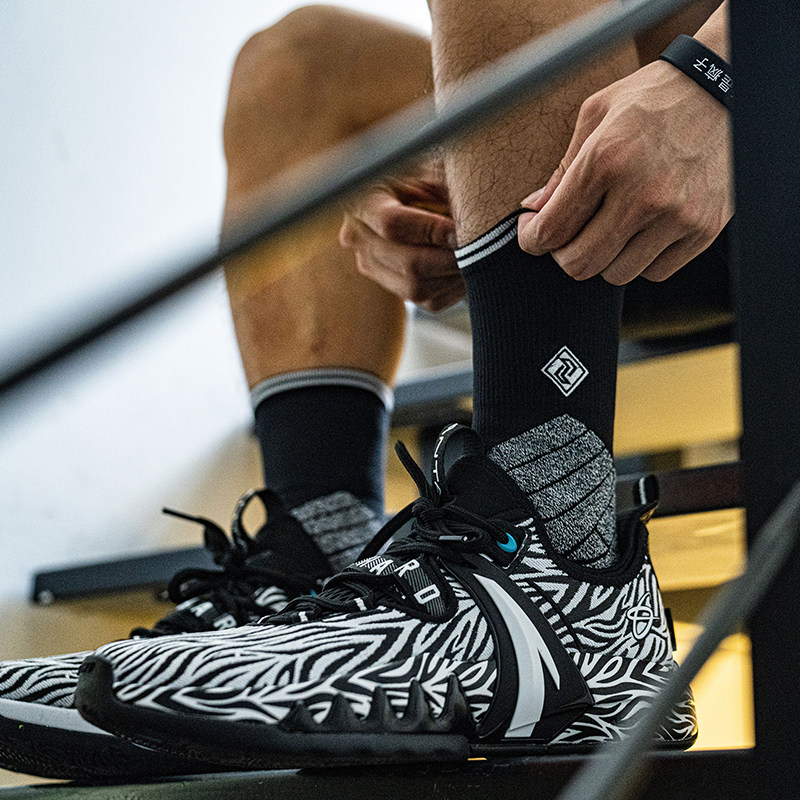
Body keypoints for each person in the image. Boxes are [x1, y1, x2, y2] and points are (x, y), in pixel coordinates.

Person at [0, 0, 731, 778]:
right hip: (613, 200)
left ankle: (556, 565)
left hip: (756, 149)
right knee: (300, 63)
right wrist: (467, 161)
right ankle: (316, 563)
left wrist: (722, 76)